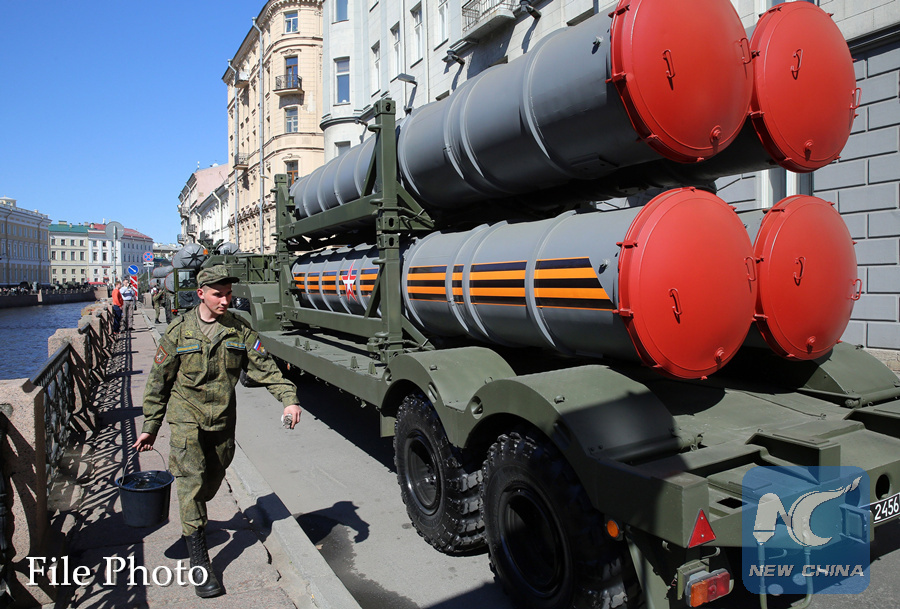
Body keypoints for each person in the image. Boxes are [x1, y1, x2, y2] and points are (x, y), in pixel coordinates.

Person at [132, 265, 302, 598]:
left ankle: (194, 519)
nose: (225, 300)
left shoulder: (239, 330)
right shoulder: (179, 332)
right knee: (191, 482)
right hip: (186, 417)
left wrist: (289, 399)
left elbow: (266, 369)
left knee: (212, 477)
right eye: (217, 295)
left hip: (222, 419)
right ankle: (201, 563)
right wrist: (150, 426)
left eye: (228, 294)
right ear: (201, 294)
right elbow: (158, 382)